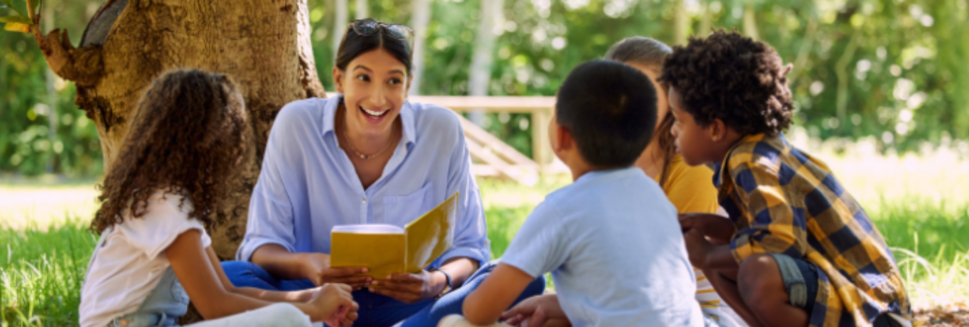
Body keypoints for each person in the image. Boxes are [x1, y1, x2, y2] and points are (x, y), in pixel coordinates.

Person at [220, 19, 544, 327]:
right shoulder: (296, 124)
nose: (378, 97)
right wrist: (311, 265)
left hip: (410, 302)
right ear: (338, 79)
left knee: (521, 277)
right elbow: (261, 246)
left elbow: (470, 247)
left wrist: (435, 281)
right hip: (318, 299)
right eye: (363, 78)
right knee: (229, 275)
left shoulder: (441, 130)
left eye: (393, 81)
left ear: (408, 85)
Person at [663, 30, 912, 327]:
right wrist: (707, 226)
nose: (673, 131)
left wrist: (706, 254)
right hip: (844, 297)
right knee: (723, 257)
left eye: (678, 120)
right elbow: (769, 232)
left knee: (755, 269)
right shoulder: (752, 153)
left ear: (715, 129)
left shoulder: (754, 160)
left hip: (872, 311)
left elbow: (778, 244)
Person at [78, 69, 359, 327]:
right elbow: (216, 306)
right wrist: (313, 312)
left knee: (283, 312)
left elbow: (229, 289)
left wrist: (311, 297)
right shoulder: (163, 206)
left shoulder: (171, 203)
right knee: (287, 320)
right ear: (211, 141)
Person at [458, 60, 705, 327]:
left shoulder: (561, 210)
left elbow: (479, 312)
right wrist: (560, 305)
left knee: (454, 324)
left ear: (562, 136)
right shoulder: (656, 197)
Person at [605, 36, 747, 327]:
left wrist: (567, 303)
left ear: (672, 99)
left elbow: (659, 274)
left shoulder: (693, 167)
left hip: (703, 313)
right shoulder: (608, 167)